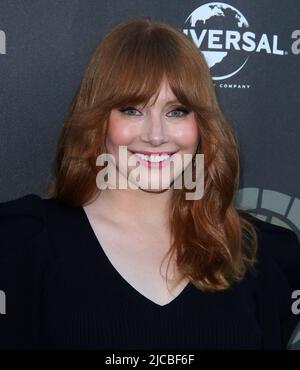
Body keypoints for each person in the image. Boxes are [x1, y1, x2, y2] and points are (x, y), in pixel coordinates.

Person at [1, 16, 300, 350]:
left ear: (202, 124)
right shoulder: (22, 245)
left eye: (177, 111)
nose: (156, 135)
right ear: (98, 120)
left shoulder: (261, 254)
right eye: (132, 109)